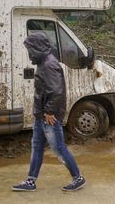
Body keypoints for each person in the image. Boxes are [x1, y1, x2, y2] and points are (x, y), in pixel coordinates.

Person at [12, 32, 86, 192]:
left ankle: (78, 178)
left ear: (37, 48)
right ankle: (30, 181)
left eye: (30, 49)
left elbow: (56, 91)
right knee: (37, 146)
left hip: (48, 116)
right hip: (41, 115)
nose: (29, 52)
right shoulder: (43, 63)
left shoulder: (49, 64)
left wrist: (49, 111)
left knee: (59, 148)